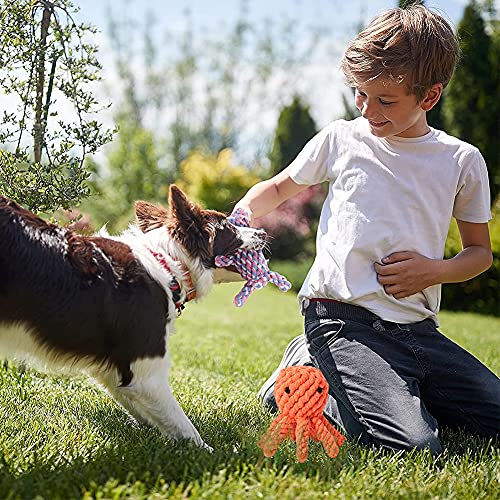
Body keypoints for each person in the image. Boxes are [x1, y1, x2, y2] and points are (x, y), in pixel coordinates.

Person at [235, 5, 499, 454]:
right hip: (342, 320)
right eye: (360, 94)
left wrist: (433, 271)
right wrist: (238, 218)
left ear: (430, 97)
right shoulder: (342, 138)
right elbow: (280, 186)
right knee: (415, 445)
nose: (367, 110)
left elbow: (479, 253)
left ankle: (380, 385)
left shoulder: (461, 161)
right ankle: (302, 376)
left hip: (418, 330)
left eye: (385, 101)